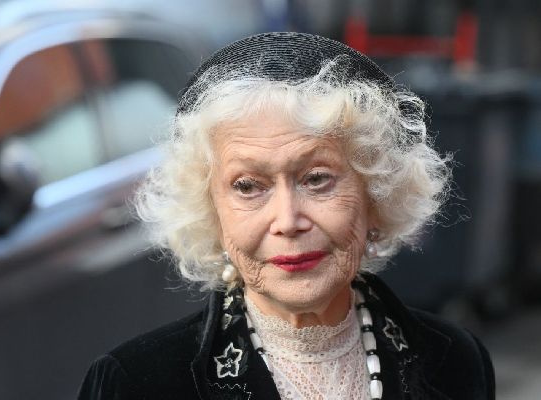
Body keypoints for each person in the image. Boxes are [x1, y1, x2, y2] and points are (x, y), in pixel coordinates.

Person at [78, 32, 495, 400]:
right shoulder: (136, 384)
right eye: (248, 186)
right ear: (211, 212)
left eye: (317, 179)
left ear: (376, 194)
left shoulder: (455, 361)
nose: (288, 220)